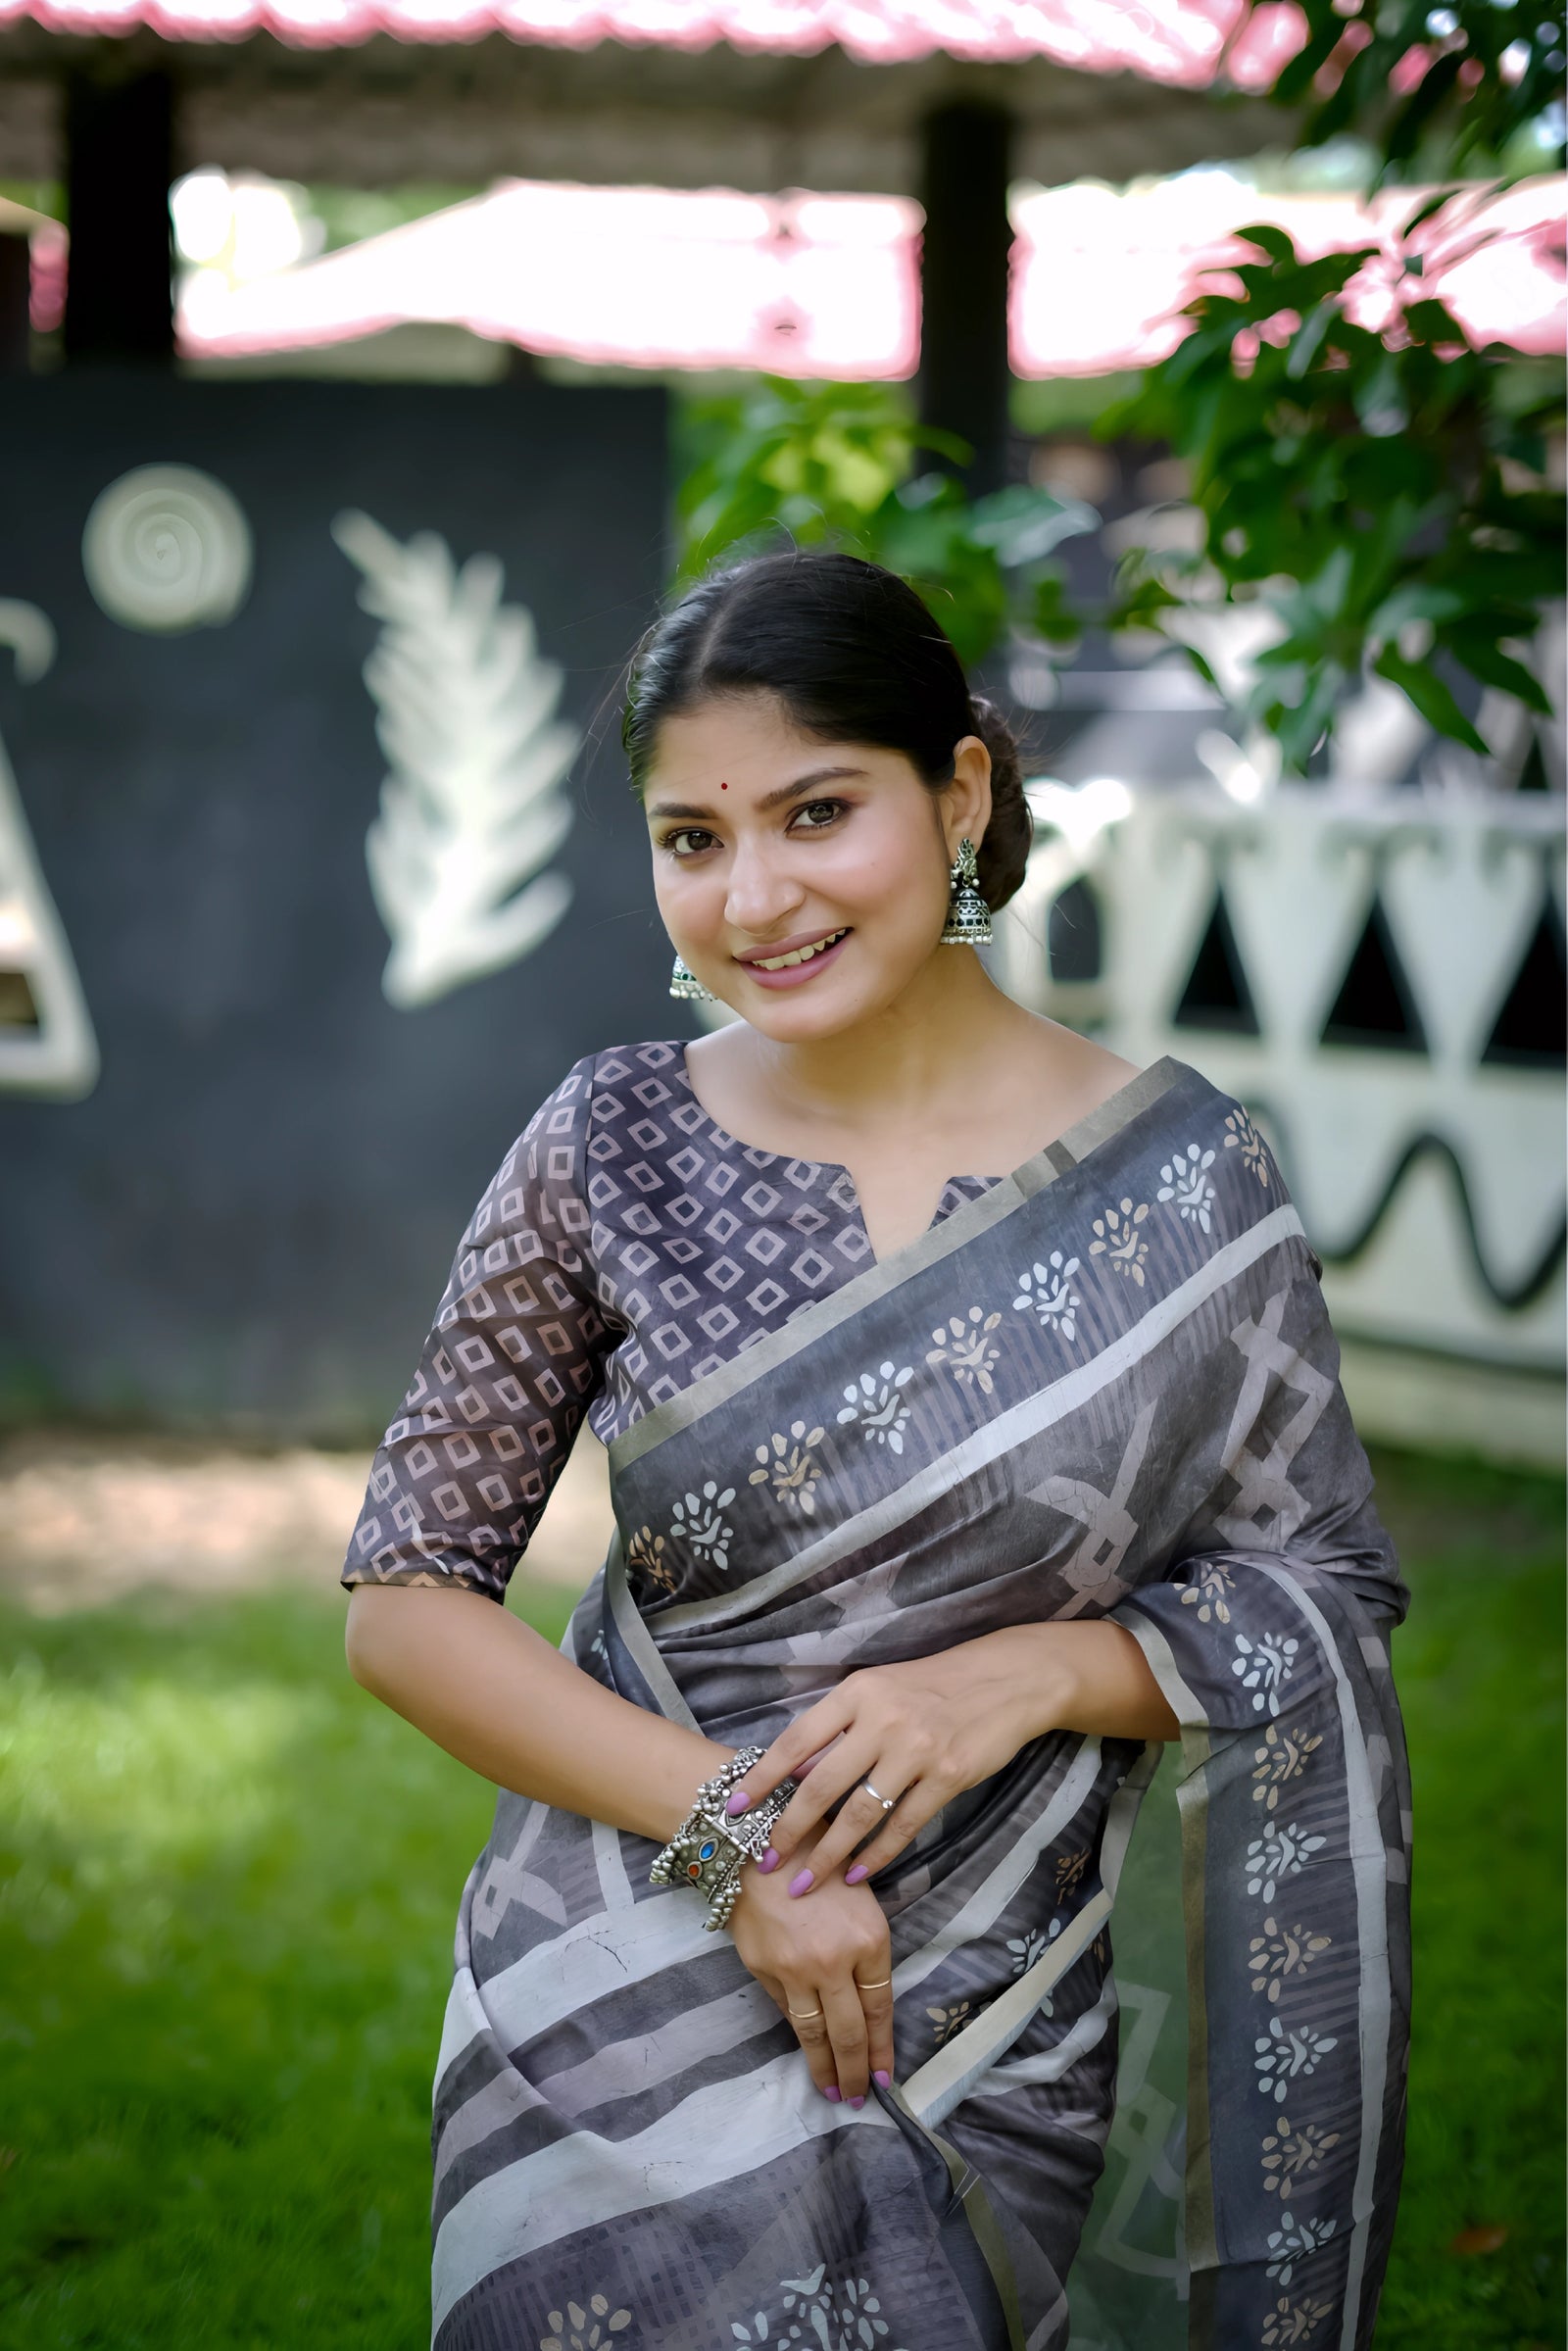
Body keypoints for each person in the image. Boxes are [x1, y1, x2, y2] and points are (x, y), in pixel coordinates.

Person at [341, 549, 1411, 2351]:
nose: (754, 896)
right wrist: (738, 1844)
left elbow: (1323, 1588)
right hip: (614, 2001)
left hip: (1010, 2022)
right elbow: (405, 1602)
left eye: (815, 811)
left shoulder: (1184, 1179)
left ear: (962, 792)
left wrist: (1017, 1675)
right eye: (693, 838)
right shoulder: (612, 1143)